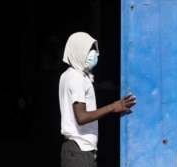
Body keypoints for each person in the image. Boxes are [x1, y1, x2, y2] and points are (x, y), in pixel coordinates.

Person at [58, 32, 136, 167]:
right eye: (90, 50)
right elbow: (81, 117)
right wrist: (112, 107)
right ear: (78, 50)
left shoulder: (68, 75)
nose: (95, 54)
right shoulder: (77, 78)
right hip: (79, 150)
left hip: (79, 149)